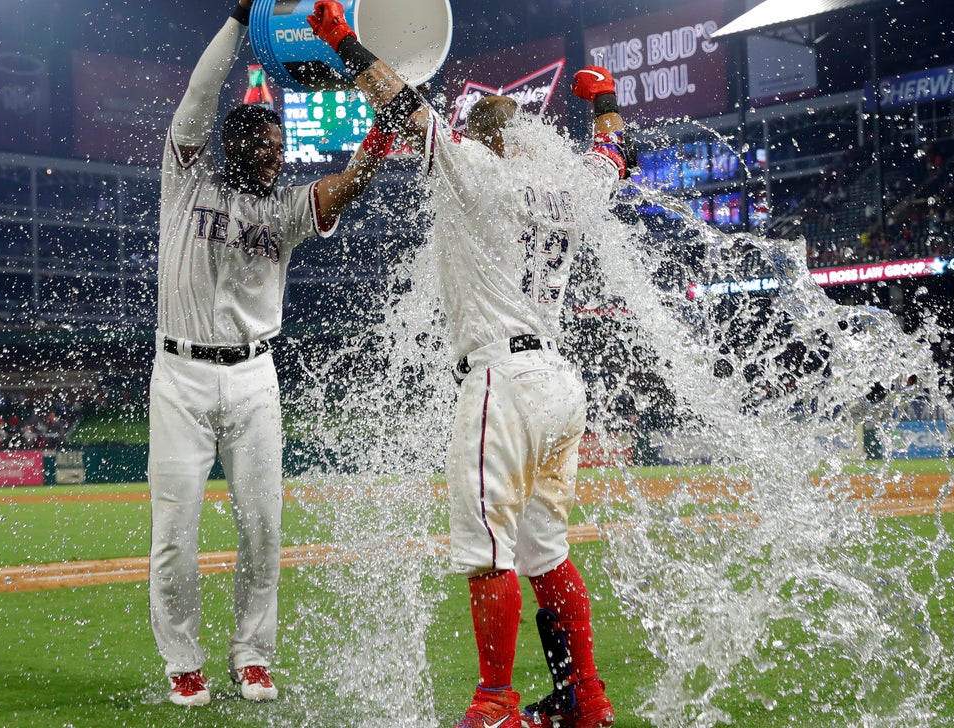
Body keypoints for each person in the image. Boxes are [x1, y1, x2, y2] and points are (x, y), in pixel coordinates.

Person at [307, 3, 626, 725]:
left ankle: (494, 704)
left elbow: (405, 106)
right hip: (559, 388)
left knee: (488, 552)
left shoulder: (476, 172)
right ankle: (589, 698)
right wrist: (603, 98)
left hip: (501, 382)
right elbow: (615, 156)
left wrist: (342, 39)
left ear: (480, 139)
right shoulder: (568, 189)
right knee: (547, 554)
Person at [148, 0, 388, 707]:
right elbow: (197, 99)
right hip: (181, 375)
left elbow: (345, 187)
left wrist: (381, 136)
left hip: (254, 377)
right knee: (174, 536)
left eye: (281, 149)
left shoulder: (284, 209)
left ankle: (252, 655)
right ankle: (182, 660)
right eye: (264, 147)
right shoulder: (186, 182)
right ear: (235, 147)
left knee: (262, 528)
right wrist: (234, 18)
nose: (277, 156)